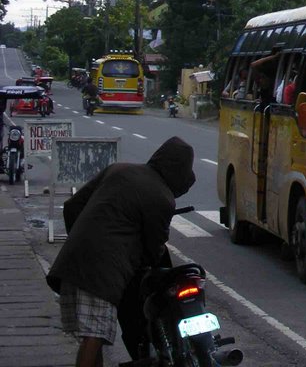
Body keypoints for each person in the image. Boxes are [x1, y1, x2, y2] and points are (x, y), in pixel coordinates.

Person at [46, 137, 196, 367]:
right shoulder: (162, 197)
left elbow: (72, 207)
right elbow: (154, 249)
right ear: (179, 175)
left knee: (91, 336)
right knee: (95, 336)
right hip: (101, 274)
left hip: (71, 262)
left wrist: (84, 241)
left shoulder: (118, 169)